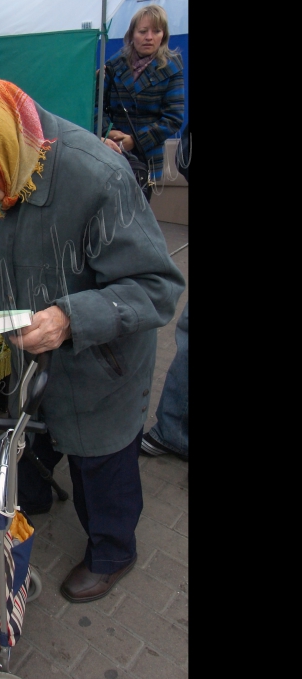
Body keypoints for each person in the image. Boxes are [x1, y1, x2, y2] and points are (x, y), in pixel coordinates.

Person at [0, 77, 185, 603]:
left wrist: (69, 317)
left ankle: (112, 549)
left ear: (4, 151)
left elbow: (157, 288)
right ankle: (32, 495)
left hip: (101, 361)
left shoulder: (98, 177)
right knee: (31, 434)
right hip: (29, 352)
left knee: (101, 462)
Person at [141, 122, 189, 461]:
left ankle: (172, 430)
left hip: (142, 158)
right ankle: (172, 428)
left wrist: (135, 138)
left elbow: (173, 118)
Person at [99, 4, 184, 191]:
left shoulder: (172, 68)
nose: (149, 37)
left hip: (147, 157)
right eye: (143, 31)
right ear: (131, 34)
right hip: (112, 153)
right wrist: (108, 132)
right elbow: (96, 106)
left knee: (138, 214)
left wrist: (135, 141)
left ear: (164, 35)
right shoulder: (114, 65)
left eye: (156, 31)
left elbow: (173, 118)